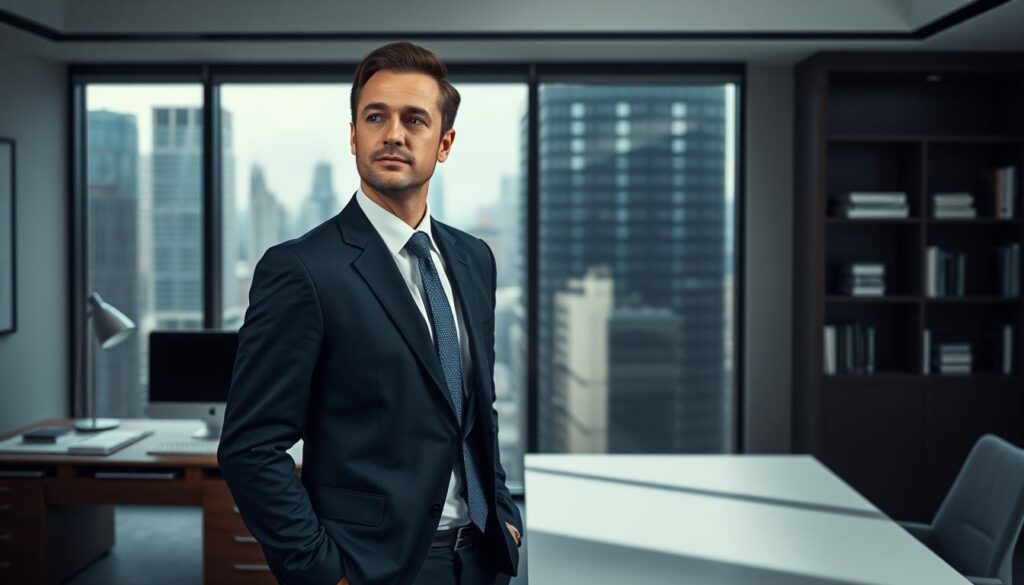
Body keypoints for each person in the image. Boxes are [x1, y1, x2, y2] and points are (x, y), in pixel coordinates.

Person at [217, 41, 522, 585]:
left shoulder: (474, 259)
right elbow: (250, 447)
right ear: (353, 135)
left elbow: (478, 406)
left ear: (444, 143)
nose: (394, 134)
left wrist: (501, 508)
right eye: (375, 116)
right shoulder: (302, 270)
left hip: (480, 560)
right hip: (370, 568)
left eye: (414, 120)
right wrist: (320, 571)